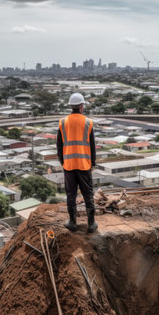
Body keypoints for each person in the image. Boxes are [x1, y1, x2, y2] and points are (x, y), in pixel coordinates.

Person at [57, 92, 98, 233]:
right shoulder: (88, 122)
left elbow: (59, 146)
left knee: (71, 195)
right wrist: (92, 163)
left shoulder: (62, 122)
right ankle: (91, 223)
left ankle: (73, 223)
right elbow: (92, 146)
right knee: (88, 193)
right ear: (81, 106)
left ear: (71, 106)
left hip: (69, 165)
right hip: (84, 164)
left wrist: (63, 162)